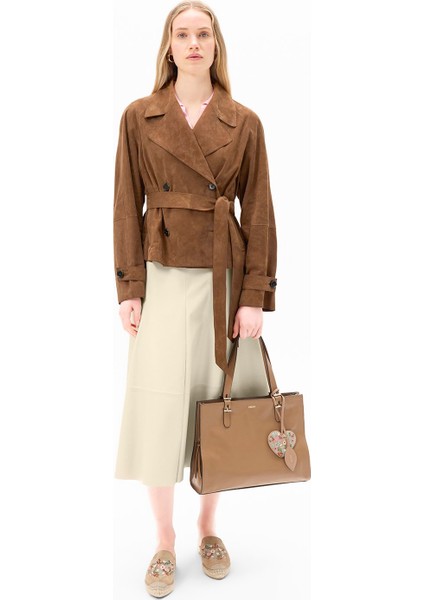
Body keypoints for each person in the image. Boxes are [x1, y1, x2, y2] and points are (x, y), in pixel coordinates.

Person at [113, 1, 278, 596]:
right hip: (159, 275)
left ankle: (208, 528)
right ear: (168, 45)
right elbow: (125, 205)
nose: (192, 43)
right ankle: (164, 539)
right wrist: (129, 288)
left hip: (222, 280)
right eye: (181, 34)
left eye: (202, 34)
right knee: (159, 411)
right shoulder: (139, 116)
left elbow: (259, 214)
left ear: (215, 45)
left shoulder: (244, 122)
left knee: (217, 412)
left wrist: (254, 295)